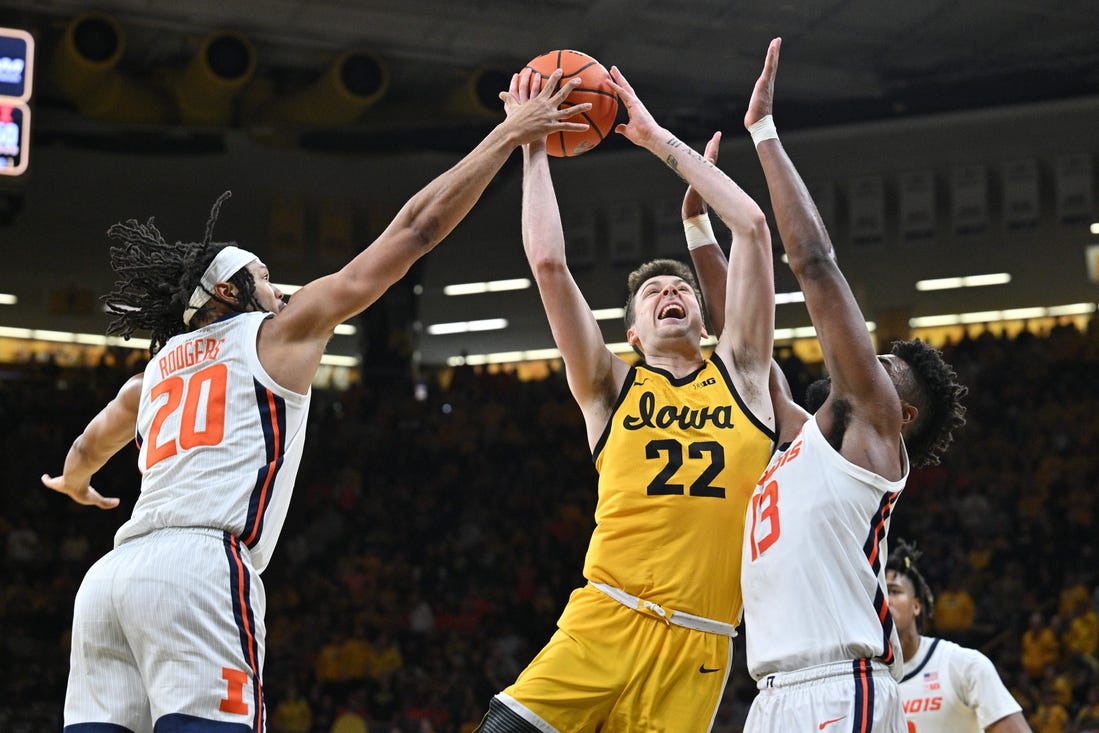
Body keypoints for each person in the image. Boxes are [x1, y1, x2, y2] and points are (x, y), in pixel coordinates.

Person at [40, 71, 592, 733]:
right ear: (226, 294)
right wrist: (508, 133)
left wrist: (74, 484)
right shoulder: (277, 334)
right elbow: (412, 232)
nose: (277, 290)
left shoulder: (151, 374)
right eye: (263, 278)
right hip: (198, 567)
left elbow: (84, 449)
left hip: (108, 579)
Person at [476, 66, 778, 732]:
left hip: (699, 641)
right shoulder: (608, 383)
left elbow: (752, 228)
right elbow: (549, 266)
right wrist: (532, 144)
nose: (671, 291)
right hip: (603, 617)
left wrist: (652, 137)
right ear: (632, 334)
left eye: (683, 290)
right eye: (652, 293)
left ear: (705, 320)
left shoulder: (744, 373)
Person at [728, 38, 967, 732]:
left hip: (840, 686)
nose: (862, 361)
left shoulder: (873, 437)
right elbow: (748, 355)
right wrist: (701, 233)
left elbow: (812, 261)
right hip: (770, 693)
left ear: (903, 412)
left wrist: (763, 133)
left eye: (884, 365)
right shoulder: (805, 446)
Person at [886, 540, 1032, 732]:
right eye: (879, 596)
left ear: (916, 606)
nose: (885, 601)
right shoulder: (861, 683)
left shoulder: (963, 665)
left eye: (893, 591)